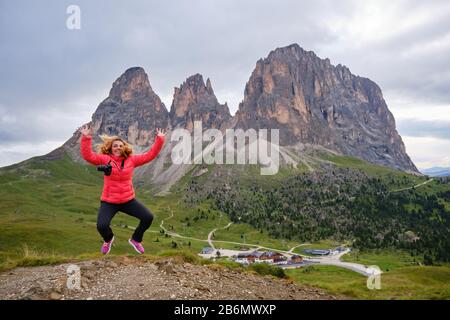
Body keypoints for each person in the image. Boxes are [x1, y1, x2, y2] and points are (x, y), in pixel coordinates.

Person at [79, 124, 167, 254]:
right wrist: (86, 137)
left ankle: (136, 240)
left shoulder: (131, 160)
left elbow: (150, 155)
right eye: (115, 146)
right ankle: (108, 239)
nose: (118, 148)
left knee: (148, 217)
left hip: (128, 200)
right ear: (110, 148)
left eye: (120, 146)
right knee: (101, 226)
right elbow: (88, 156)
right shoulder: (105, 159)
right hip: (109, 201)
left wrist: (160, 139)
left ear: (124, 147)